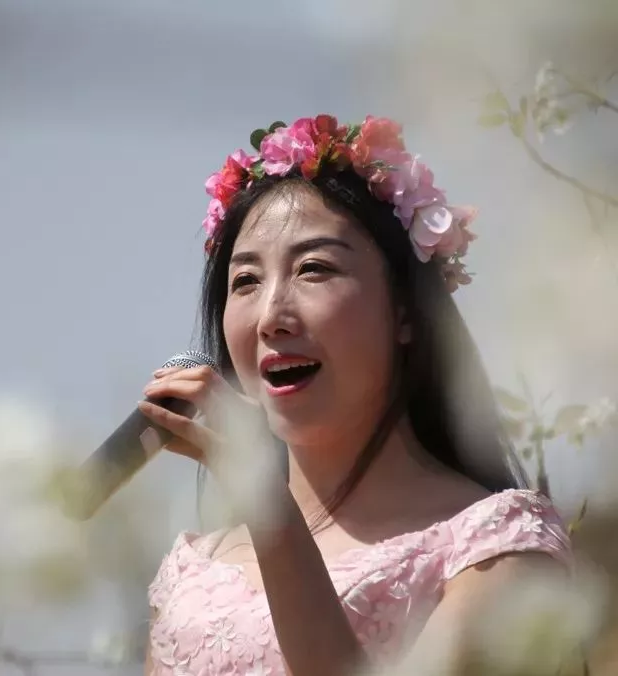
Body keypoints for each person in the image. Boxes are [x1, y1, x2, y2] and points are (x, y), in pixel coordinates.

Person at [140, 115, 573, 675]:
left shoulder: (499, 548)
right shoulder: (192, 574)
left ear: (406, 311)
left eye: (314, 269)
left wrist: (270, 509)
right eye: (245, 281)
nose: (271, 317)